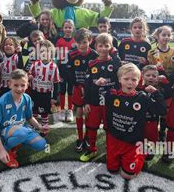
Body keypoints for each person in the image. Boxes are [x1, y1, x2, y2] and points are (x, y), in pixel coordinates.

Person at [105, 63, 166, 179]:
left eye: (134, 79)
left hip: (132, 142)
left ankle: (141, 153)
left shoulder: (142, 98)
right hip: (114, 140)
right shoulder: (112, 95)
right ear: (119, 79)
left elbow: (162, 110)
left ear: (139, 81)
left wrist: (156, 93)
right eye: (126, 79)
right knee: (112, 170)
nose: (130, 82)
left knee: (127, 176)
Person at [0, 69, 49, 169]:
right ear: (9, 84)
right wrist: (1, 150)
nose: (19, 88)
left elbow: (29, 117)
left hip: (22, 128)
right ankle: (6, 148)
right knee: (22, 133)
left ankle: (17, 142)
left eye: (23, 85)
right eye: (16, 85)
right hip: (5, 131)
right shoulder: (3, 101)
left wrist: (39, 127)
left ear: (27, 85)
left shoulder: (27, 98)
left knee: (43, 145)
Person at [80, 33, 121, 162]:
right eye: (100, 45)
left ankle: (111, 150)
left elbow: (120, 77)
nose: (103, 48)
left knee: (110, 127)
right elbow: (87, 84)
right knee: (92, 126)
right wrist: (86, 102)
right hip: (94, 101)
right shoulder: (92, 64)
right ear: (96, 47)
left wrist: (114, 54)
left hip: (111, 102)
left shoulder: (114, 62)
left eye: (106, 46)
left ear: (111, 47)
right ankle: (91, 150)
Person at [66, 28, 98, 152]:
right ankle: (79, 138)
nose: (82, 45)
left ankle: (87, 137)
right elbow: (68, 71)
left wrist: (89, 86)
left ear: (90, 41)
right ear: (76, 42)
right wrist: (76, 84)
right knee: (79, 112)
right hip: (78, 87)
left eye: (84, 42)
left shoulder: (94, 55)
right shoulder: (72, 54)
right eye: (79, 43)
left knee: (88, 112)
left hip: (90, 89)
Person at [28, 40, 60, 137]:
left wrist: (54, 97)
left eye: (47, 52)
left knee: (44, 112)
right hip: (34, 92)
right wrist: (29, 76)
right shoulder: (35, 64)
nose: (44, 54)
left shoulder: (53, 67)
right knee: (33, 110)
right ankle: (32, 126)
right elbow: (29, 75)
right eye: (42, 52)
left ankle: (44, 128)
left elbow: (56, 83)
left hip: (46, 94)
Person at [139, 64, 170, 160]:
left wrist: (156, 93)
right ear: (142, 76)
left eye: (154, 76)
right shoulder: (137, 89)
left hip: (153, 122)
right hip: (139, 122)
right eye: (148, 75)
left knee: (150, 150)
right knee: (138, 143)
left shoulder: (159, 90)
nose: (151, 78)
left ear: (157, 78)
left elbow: (163, 110)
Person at [55, 19, 76, 122]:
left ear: (73, 29)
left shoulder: (75, 41)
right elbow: (57, 56)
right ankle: (62, 110)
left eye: (70, 27)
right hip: (62, 68)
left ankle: (70, 110)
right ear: (63, 28)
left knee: (71, 90)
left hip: (72, 69)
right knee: (62, 90)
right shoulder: (59, 41)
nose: (68, 29)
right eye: (66, 27)